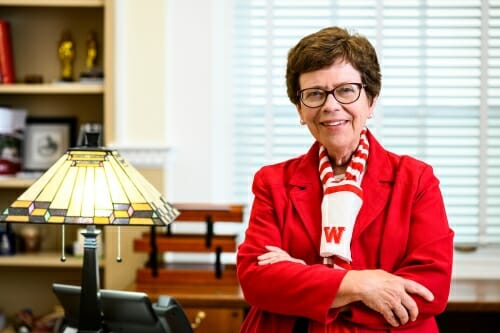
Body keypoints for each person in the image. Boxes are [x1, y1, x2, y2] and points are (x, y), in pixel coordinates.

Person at [236, 26, 454, 333]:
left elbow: (429, 291)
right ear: (300, 109)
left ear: (371, 100)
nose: (330, 105)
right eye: (314, 94)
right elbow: (257, 281)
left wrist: (305, 279)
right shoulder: (272, 182)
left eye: (346, 90)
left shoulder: (416, 180)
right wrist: (361, 284)